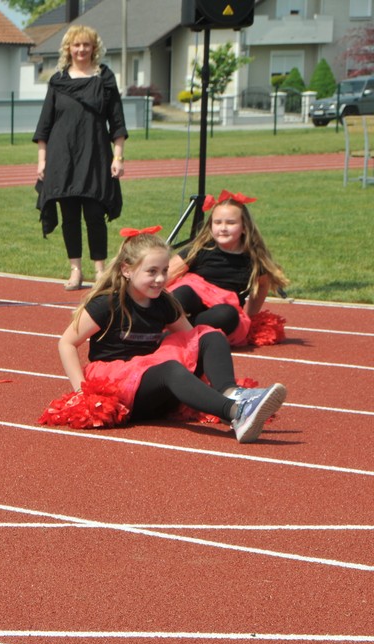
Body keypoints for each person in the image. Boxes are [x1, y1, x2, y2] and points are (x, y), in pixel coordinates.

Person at [55, 227, 286, 443]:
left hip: (151, 383)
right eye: (151, 272)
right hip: (118, 388)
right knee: (170, 369)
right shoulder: (107, 303)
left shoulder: (163, 301)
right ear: (127, 270)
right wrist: (81, 392)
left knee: (209, 335)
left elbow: (193, 340)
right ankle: (237, 412)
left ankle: (231, 393)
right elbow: (67, 343)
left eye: (165, 271)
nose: (160, 279)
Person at [34, 24, 127, 291]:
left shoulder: (105, 78)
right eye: (76, 45)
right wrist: (42, 160)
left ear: (93, 48)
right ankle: (76, 270)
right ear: (68, 48)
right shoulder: (58, 80)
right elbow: (45, 125)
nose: (81, 49)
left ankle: (100, 270)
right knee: (70, 217)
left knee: (95, 214)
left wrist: (118, 157)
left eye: (86, 45)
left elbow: (117, 122)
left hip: (96, 156)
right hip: (63, 159)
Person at [167, 191, 289, 346]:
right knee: (182, 293)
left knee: (227, 315)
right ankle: (170, 328)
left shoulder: (254, 259)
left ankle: (185, 332)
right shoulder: (199, 249)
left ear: (244, 227)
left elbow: (263, 285)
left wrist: (250, 315)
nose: (223, 228)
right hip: (193, 300)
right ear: (211, 225)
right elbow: (168, 274)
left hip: (219, 310)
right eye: (217, 223)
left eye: (230, 223)